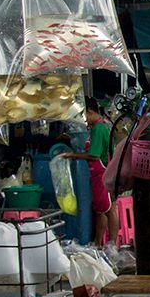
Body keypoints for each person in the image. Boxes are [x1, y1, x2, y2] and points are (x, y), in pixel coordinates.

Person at [60, 98, 120, 246]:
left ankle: (112, 244)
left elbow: (94, 155)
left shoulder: (99, 128)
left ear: (91, 112)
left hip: (104, 173)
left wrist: (72, 155)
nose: (83, 119)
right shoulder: (99, 127)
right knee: (102, 209)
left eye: (83, 115)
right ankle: (98, 243)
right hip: (102, 174)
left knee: (109, 210)